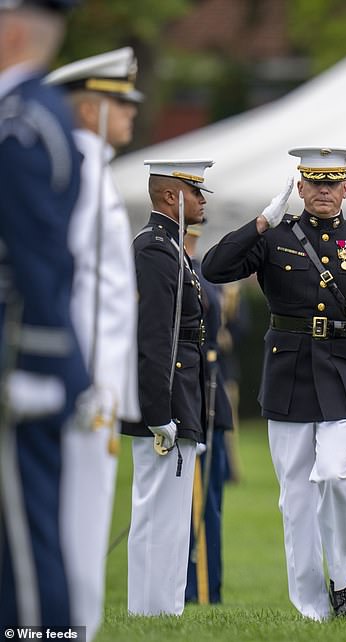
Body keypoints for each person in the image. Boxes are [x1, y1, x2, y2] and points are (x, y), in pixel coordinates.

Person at [202, 147, 346, 620]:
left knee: (334, 475)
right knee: (296, 497)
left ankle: (342, 581)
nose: (325, 192)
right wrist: (260, 223)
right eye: (315, 183)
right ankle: (312, 606)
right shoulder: (276, 238)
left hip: (344, 374)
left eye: (333, 184)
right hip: (288, 375)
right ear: (301, 188)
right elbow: (214, 267)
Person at [44, 46, 141, 636]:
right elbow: (62, 275)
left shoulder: (94, 171)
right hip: (81, 380)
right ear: (88, 109)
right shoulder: (78, 172)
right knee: (73, 525)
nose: (132, 111)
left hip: (98, 382)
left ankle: (71, 628)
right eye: (119, 101)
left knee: (84, 523)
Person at [0, 0, 88, 628]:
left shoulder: (22, 124)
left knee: (25, 553)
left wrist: (38, 355)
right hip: (25, 353)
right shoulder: (32, 117)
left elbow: (39, 254)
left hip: (20, 357)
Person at [123, 159, 212, 616]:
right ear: (170, 196)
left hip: (180, 393)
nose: (202, 201)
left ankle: (160, 608)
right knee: (160, 511)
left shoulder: (171, 247)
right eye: (196, 192)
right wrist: (159, 410)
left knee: (170, 515)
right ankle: (154, 609)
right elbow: (155, 337)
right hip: (168, 398)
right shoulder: (156, 250)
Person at [183, 224, 233, 605]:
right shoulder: (182, 270)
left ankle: (203, 590)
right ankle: (198, 590)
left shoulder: (196, 273)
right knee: (196, 502)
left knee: (206, 502)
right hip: (193, 392)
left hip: (205, 392)